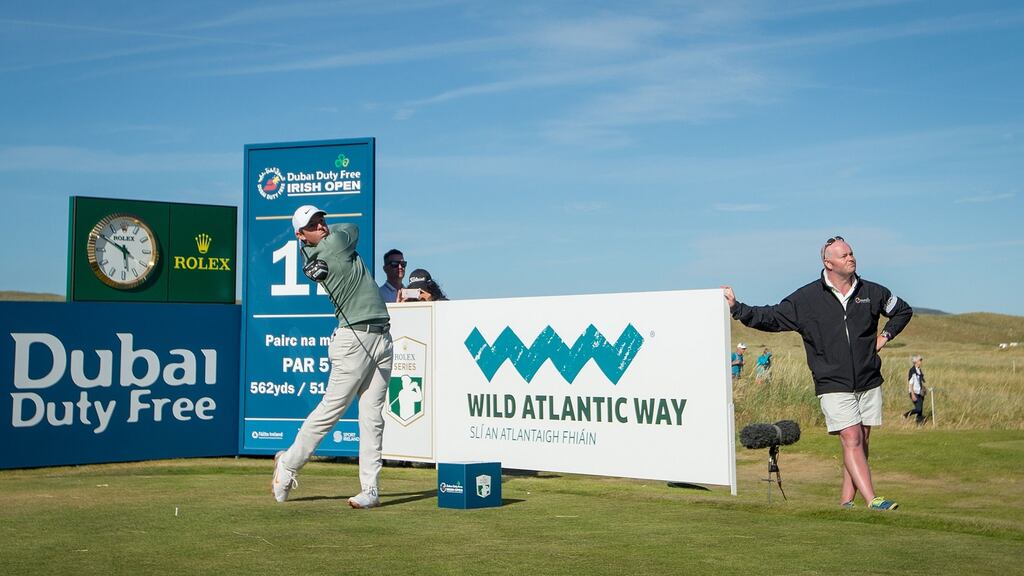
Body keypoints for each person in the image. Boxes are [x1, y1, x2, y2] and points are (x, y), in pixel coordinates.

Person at [722, 235, 912, 511]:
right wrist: (738, 309)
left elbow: (903, 311)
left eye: (851, 253)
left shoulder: (872, 291)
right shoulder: (807, 298)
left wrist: (883, 337)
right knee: (851, 438)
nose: (851, 257)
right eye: (844, 255)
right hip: (832, 381)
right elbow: (772, 317)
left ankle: (846, 501)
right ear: (828, 263)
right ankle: (873, 499)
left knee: (861, 439)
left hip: (869, 378)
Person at [272, 205, 394, 509]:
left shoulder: (318, 251)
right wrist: (327, 235)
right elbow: (353, 227)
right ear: (301, 235)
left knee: (372, 419)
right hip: (354, 339)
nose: (322, 226)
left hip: (381, 336)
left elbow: (344, 230)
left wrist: (313, 236)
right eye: (313, 225)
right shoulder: (335, 245)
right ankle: (287, 465)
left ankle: (370, 490)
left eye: (322, 220)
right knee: (331, 411)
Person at [903, 355, 927, 425]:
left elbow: (920, 381)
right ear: (916, 362)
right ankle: (906, 415)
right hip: (914, 392)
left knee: (920, 411)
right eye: (920, 360)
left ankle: (919, 424)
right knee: (918, 409)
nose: (921, 362)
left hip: (920, 392)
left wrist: (924, 389)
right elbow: (911, 383)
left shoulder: (919, 370)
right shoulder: (912, 371)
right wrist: (912, 394)